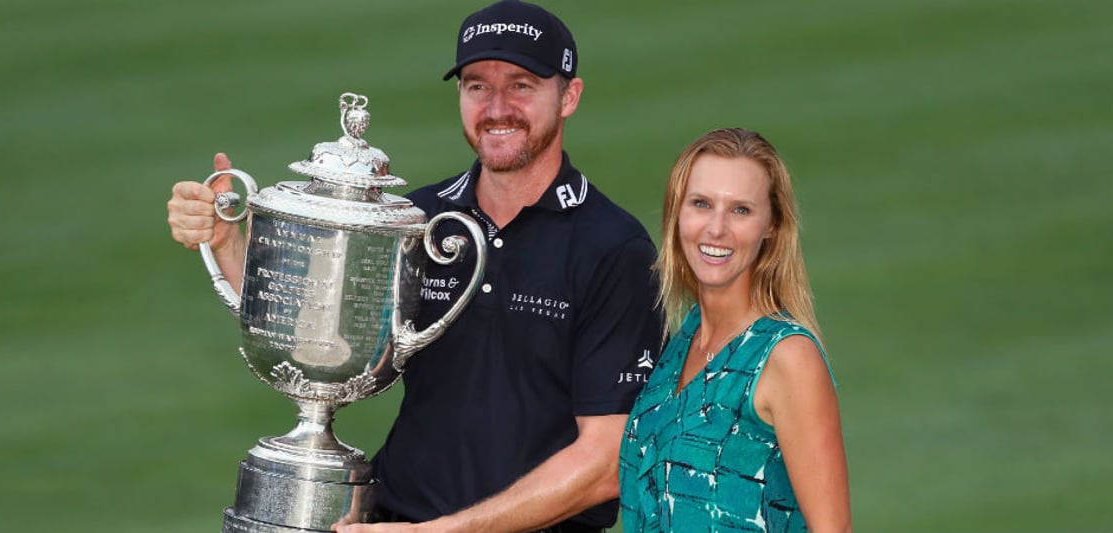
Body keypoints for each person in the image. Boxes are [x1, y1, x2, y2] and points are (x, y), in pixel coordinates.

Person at [166, 2, 664, 532]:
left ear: (569, 96)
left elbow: (608, 461)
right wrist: (226, 238)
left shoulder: (613, 247)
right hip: (394, 515)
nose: (497, 107)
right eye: (477, 86)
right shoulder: (417, 220)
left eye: (521, 85)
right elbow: (312, 333)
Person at [617, 128, 851, 532]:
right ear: (677, 213)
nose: (716, 228)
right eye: (701, 204)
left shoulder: (787, 357)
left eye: (740, 210)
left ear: (771, 225)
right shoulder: (683, 339)